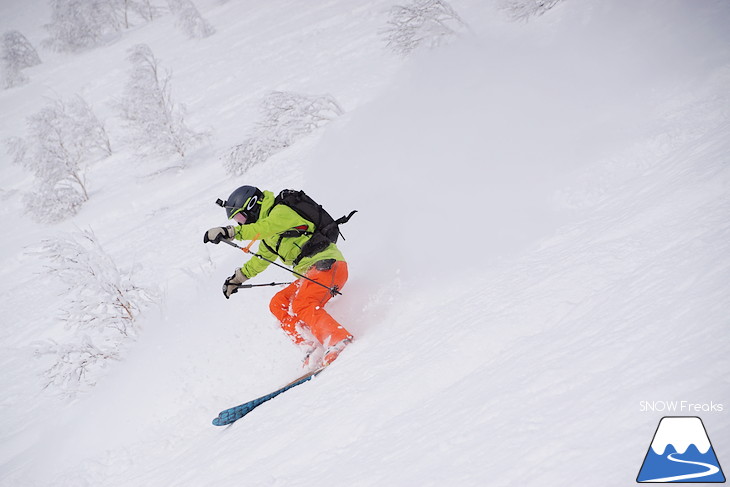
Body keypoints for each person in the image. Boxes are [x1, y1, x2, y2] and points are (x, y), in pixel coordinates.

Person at [203, 185, 352, 367]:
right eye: (237, 221)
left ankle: (338, 340)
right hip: (310, 273)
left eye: (240, 218)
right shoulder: (269, 237)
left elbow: (263, 228)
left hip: (328, 265)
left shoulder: (280, 212)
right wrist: (237, 279)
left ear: (253, 206)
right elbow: (261, 259)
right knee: (278, 302)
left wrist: (230, 232)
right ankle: (310, 346)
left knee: (302, 304)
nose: (241, 223)